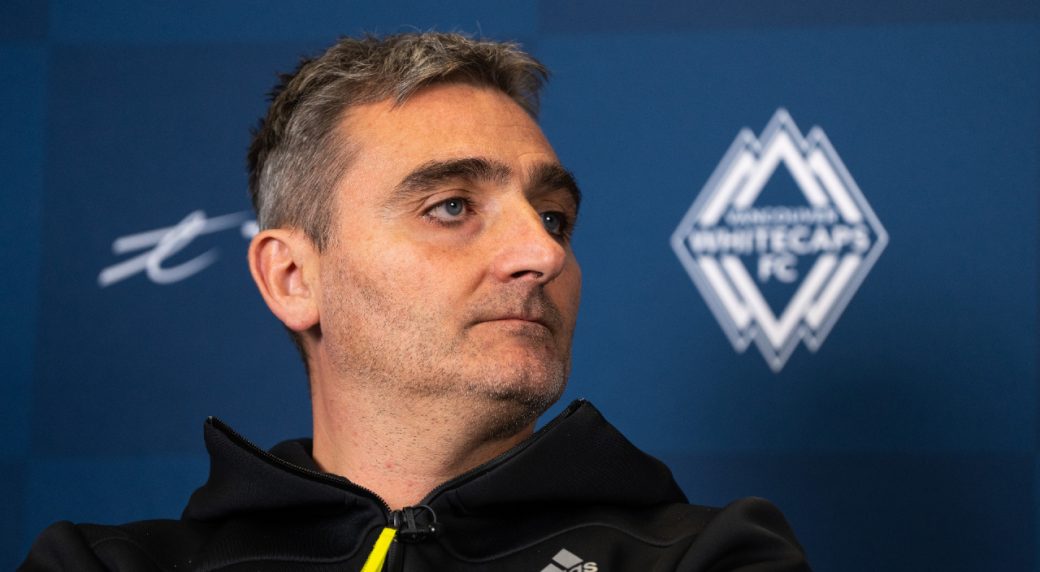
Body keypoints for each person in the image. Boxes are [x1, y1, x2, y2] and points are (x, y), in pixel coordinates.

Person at [21, 32, 811, 571]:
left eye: (555, 217)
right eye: (452, 207)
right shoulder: (102, 565)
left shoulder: (708, 556)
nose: (543, 252)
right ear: (293, 279)